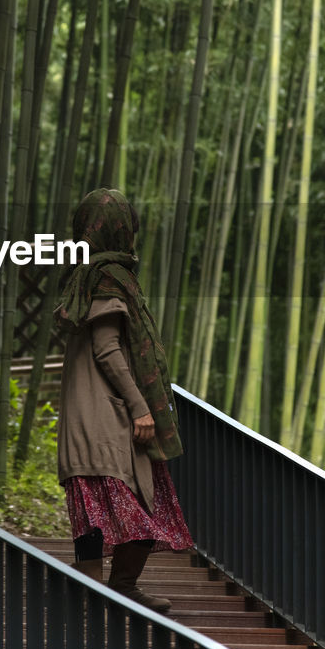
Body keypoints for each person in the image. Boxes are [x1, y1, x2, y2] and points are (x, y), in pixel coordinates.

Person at [54, 188, 193, 613]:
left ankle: (116, 589)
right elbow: (108, 348)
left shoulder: (85, 274)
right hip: (105, 411)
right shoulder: (108, 277)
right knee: (117, 499)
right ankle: (100, 594)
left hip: (92, 411)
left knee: (108, 503)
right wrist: (140, 406)